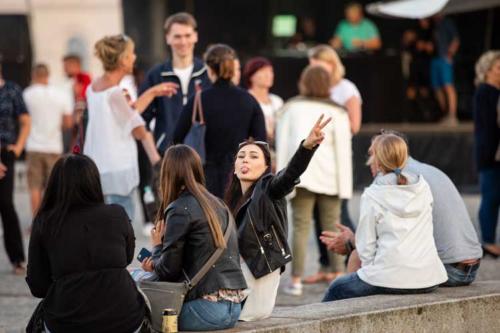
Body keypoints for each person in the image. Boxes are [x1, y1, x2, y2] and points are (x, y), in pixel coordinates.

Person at [322, 131, 483, 287]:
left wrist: (351, 242)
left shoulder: (392, 181)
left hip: (446, 270)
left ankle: (355, 309)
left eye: (372, 154)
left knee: (356, 259)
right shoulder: (424, 173)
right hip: (472, 266)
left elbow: (376, 245)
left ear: (382, 156)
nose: (369, 160)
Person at [224, 114, 331, 320]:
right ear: (235, 168)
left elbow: (289, 175)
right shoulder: (228, 203)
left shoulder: (269, 189)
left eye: (254, 156)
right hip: (236, 277)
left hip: (258, 273)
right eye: (241, 156)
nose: (245, 159)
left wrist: (306, 148)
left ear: (266, 168)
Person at [26, 154, 147, 333]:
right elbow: (126, 258)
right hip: (126, 319)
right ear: (94, 182)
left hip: (67, 320)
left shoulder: (45, 222)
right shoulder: (117, 214)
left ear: (55, 185)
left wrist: (66, 278)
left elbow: (38, 285)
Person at [139, 144, 246, 331]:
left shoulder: (180, 208)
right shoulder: (218, 204)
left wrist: (156, 248)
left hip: (205, 310)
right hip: (234, 309)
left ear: (168, 174)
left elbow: (168, 271)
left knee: (139, 308)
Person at [276, 65, 352, 296]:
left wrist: (282, 179)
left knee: (300, 227)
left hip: (300, 177)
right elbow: (343, 152)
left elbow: (283, 146)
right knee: (333, 226)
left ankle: (296, 280)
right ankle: (339, 276)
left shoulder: (291, 108)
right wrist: (345, 187)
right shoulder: (338, 112)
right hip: (331, 179)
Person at [84, 34, 176, 219]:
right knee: (122, 230)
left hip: (96, 166)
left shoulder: (94, 86)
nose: (134, 57)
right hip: (118, 170)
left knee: (101, 226)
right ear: (122, 60)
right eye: (131, 54)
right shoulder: (115, 93)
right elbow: (138, 129)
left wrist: (152, 92)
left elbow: (127, 112)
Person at [173, 44, 267, 198]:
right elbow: (261, 143)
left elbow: (177, 138)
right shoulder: (249, 101)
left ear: (209, 69)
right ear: (233, 67)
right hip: (239, 177)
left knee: (208, 220)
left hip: (202, 179)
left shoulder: (198, 100)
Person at [304, 44, 360, 284]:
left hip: (336, 161)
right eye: (312, 66)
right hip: (315, 162)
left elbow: (354, 126)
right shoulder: (313, 90)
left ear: (332, 65)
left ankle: (355, 259)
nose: (315, 70)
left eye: (319, 65)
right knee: (317, 213)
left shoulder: (346, 89)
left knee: (339, 212)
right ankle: (325, 265)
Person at [140, 12, 211, 155]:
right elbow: (141, 120)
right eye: (177, 36)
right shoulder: (156, 75)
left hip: (204, 157)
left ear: (195, 36)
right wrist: (156, 160)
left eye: (187, 35)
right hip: (166, 154)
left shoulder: (207, 73)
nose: (183, 42)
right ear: (167, 38)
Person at [23, 64, 74, 215]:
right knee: (53, 187)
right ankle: (52, 221)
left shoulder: (27, 94)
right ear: (48, 75)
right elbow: (69, 123)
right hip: (54, 146)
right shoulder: (60, 94)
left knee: (34, 187)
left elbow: (22, 120)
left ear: (34, 75)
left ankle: (36, 224)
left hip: (33, 146)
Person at [0, 63, 31, 275]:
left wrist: (18, 148)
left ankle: (18, 259)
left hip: (6, 153)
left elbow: (25, 120)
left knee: (6, 204)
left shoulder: (12, 90)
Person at [473, 50, 500, 257]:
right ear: (487, 71)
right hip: (490, 154)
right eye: (498, 68)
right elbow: (488, 126)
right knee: (490, 196)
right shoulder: (484, 92)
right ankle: (488, 241)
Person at [243, 57, 284, 144]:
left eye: (270, 71)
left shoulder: (277, 101)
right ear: (251, 76)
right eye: (263, 71)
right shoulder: (245, 99)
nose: (268, 75)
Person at [431, 14, 460, 126]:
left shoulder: (447, 22)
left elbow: (456, 40)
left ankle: (452, 115)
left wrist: (450, 54)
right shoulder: (433, 25)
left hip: (444, 58)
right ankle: (445, 114)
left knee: (448, 85)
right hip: (434, 58)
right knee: (437, 87)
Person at [62, 54, 92, 151]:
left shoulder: (84, 78)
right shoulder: (68, 81)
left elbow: (83, 99)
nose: (64, 69)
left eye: (66, 66)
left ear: (75, 65)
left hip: (77, 121)